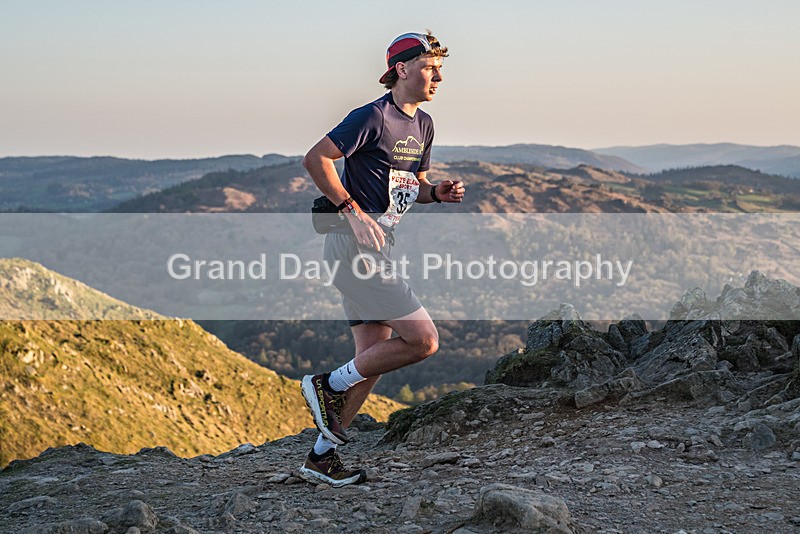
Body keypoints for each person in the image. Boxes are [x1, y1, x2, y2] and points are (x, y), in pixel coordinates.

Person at [298, 30, 465, 487]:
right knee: (423, 340)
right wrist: (352, 212)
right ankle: (326, 385)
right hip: (352, 245)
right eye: (430, 68)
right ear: (402, 69)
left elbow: (413, 186)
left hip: (378, 244)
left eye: (440, 69)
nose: (438, 78)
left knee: (373, 359)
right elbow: (316, 159)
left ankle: (321, 457)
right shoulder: (372, 116)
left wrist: (437, 193)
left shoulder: (424, 124)